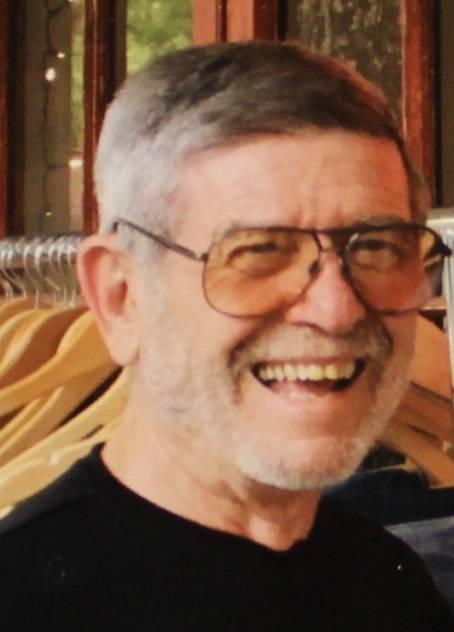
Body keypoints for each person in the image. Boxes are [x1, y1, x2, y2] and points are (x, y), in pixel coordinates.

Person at [0, 41, 453, 631]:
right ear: (121, 296)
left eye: (377, 247)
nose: (336, 310)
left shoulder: (388, 584)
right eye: (258, 251)